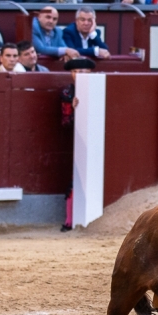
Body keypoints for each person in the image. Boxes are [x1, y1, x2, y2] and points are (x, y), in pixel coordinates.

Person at [60, 57, 96, 233]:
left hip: (96, 144)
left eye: (85, 72)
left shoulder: (96, 88)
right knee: (75, 182)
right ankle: (69, 221)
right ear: (71, 74)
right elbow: (66, 123)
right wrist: (74, 110)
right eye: (77, 72)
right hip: (77, 145)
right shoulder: (68, 93)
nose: (81, 75)